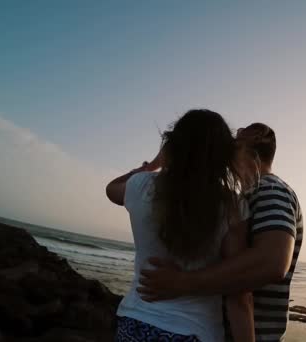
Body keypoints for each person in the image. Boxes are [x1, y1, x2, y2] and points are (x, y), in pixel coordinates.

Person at [138, 123, 304, 342]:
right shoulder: (251, 194)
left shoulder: (270, 190)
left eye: (235, 142)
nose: (227, 150)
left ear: (252, 141)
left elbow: (272, 262)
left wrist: (182, 282)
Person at [105, 109, 255, 342]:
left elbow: (111, 189)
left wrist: (151, 166)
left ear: (172, 146)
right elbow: (239, 294)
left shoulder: (141, 186)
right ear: (225, 156)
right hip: (194, 331)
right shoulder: (233, 207)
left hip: (134, 325)